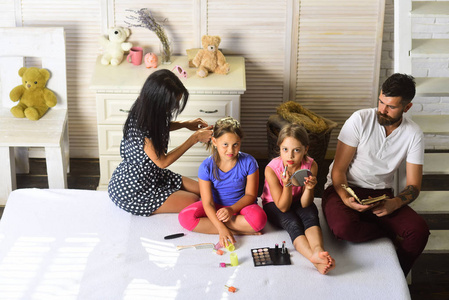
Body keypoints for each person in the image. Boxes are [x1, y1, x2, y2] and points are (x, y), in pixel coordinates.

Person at [322, 73, 430, 276]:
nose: (382, 109)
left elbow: (414, 186)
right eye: (381, 101)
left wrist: (395, 203)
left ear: (407, 108)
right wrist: (346, 199)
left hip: (381, 195)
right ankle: (389, 234)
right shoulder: (360, 119)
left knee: (419, 232)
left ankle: (394, 278)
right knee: (344, 229)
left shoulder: (413, 133)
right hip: (343, 187)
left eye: (391, 106)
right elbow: (338, 170)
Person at [108, 69, 213, 216]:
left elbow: (158, 127)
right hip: (135, 190)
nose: (175, 107)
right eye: (173, 104)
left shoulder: (146, 108)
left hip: (154, 176)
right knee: (194, 200)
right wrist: (194, 138)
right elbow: (163, 162)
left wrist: (185, 124)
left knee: (204, 189)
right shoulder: (141, 133)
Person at [178, 117, 267, 248]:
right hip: (215, 208)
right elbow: (207, 202)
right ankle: (238, 230)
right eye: (225, 144)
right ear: (214, 141)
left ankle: (230, 228)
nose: (230, 150)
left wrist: (231, 209)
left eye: (235, 144)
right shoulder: (206, 166)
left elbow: (251, 196)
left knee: (260, 219)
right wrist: (221, 228)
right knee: (185, 217)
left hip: (240, 206)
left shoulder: (249, 162)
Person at [261, 123, 335, 274]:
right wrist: (287, 184)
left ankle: (319, 250)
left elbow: (305, 203)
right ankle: (313, 258)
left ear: (305, 149)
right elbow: (283, 207)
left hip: (299, 200)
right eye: (285, 150)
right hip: (276, 204)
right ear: (279, 148)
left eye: (297, 150)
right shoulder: (271, 169)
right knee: (293, 222)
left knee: (310, 214)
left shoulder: (310, 165)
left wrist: (309, 188)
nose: (290, 156)